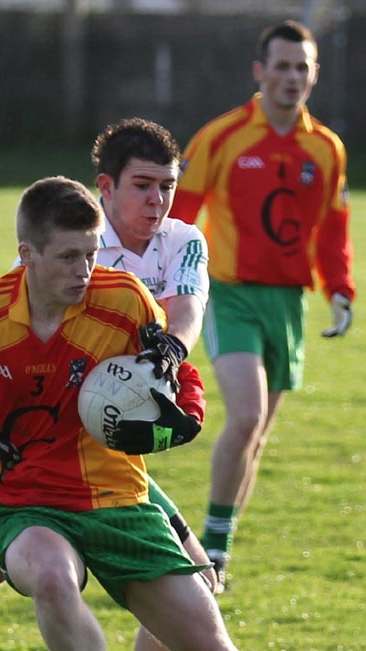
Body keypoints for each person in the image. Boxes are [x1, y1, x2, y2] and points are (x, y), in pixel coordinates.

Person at [0, 175, 264, 651]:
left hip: (120, 500)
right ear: (28, 254)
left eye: (90, 252)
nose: (85, 269)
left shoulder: (124, 300)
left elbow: (180, 376)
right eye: (68, 257)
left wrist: (178, 424)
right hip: (29, 500)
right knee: (51, 578)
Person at [169, 19, 355, 591]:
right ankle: (212, 555)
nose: (291, 77)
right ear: (260, 72)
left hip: (288, 304)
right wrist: (161, 287)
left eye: (302, 67)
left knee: (258, 434)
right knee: (244, 416)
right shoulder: (221, 138)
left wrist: (341, 290)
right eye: (281, 66)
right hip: (230, 295)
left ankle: (217, 551)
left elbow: (332, 231)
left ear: (314, 74)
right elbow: (180, 216)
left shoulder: (326, 148)